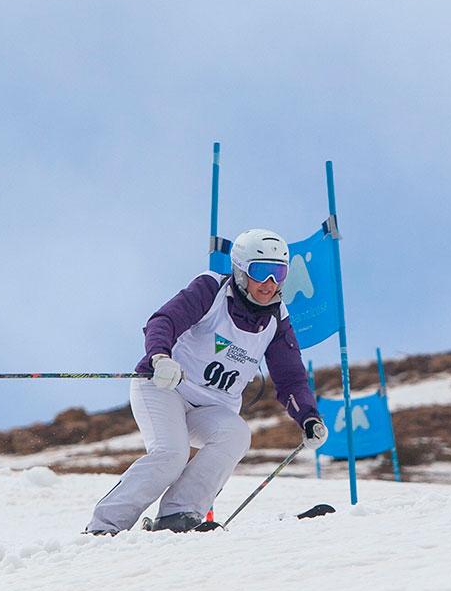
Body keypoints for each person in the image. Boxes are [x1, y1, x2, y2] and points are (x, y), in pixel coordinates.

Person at [85, 228, 328, 535]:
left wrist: (308, 416)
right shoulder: (212, 289)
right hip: (165, 387)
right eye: (261, 271)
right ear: (240, 270)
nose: (269, 283)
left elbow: (290, 377)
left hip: (213, 407)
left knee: (236, 434)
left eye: (278, 273)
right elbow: (163, 321)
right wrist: (160, 357)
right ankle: (104, 527)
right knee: (171, 455)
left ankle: (179, 514)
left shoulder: (276, 319)